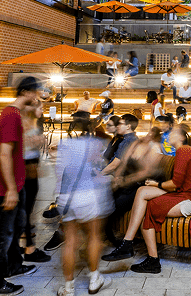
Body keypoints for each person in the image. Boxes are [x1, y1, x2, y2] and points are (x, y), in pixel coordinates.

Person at [101, 125, 191, 274]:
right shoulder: (185, 151)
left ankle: (150, 259)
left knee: (148, 208)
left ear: (181, 137)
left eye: (173, 133)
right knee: (142, 192)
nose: (169, 135)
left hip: (190, 200)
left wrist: (156, 184)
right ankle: (128, 244)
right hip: (183, 194)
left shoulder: (183, 151)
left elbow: (175, 184)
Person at [0, 77, 39, 296]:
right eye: (36, 93)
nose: (38, 97)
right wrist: (10, 189)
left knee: (16, 227)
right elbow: (4, 154)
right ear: (26, 92)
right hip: (6, 188)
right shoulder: (9, 116)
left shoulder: (16, 115)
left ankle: (14, 266)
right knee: (2, 235)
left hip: (17, 183)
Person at [54, 118, 112, 296]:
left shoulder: (64, 144)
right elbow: (97, 168)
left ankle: (68, 287)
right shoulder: (95, 144)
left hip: (65, 197)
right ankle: (95, 279)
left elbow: (59, 172)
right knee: (94, 236)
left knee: (70, 242)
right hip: (87, 195)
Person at [101, 113, 141, 244]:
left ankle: (113, 240)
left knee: (106, 206)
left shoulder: (128, 141)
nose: (118, 126)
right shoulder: (129, 139)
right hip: (128, 184)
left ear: (128, 126)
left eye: (120, 123)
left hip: (130, 187)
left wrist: (98, 175)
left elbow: (115, 164)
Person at [20, 98, 50, 264]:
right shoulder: (25, 124)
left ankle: (23, 242)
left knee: (28, 209)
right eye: (41, 107)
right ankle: (29, 249)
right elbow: (24, 144)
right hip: (26, 169)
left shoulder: (36, 122)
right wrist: (36, 141)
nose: (43, 110)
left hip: (33, 167)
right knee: (26, 209)